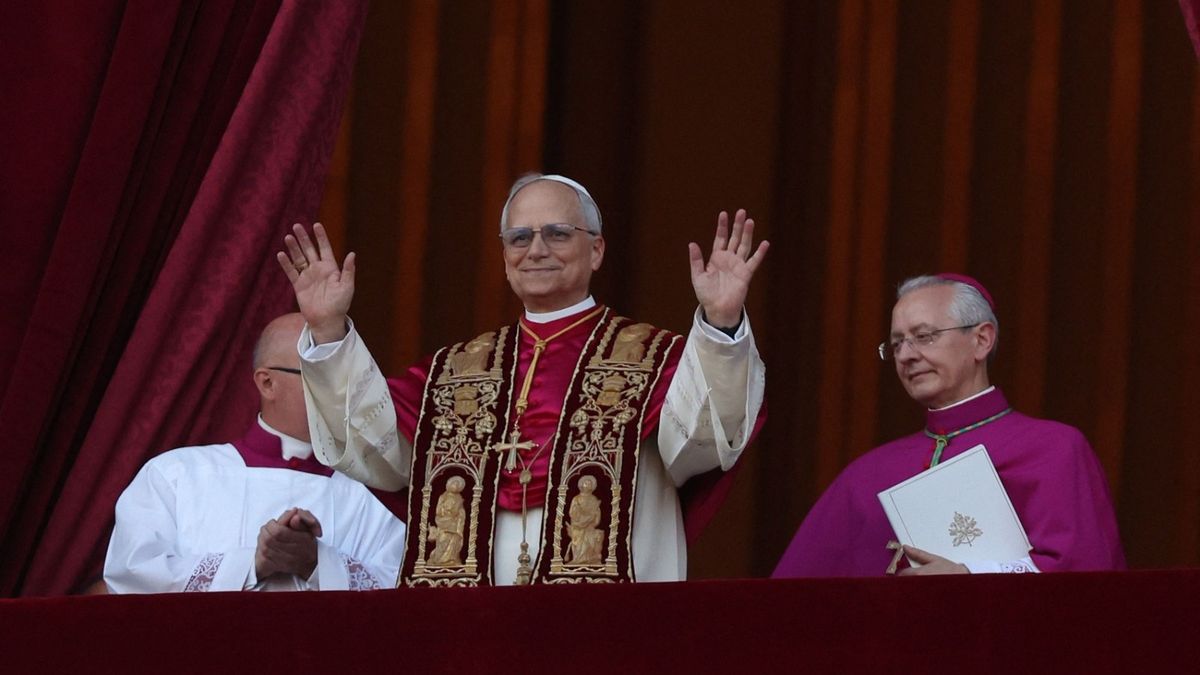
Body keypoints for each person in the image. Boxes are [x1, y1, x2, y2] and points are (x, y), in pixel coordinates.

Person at [278, 173, 768, 585]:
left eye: (557, 233)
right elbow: (372, 447)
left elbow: (704, 440)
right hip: (471, 629)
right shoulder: (454, 372)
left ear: (596, 250)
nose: (536, 249)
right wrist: (327, 331)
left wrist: (721, 324)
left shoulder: (654, 360)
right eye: (519, 237)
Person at [773, 274, 1125, 577]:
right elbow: (793, 597)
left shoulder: (1054, 449)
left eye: (924, 336)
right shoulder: (867, 474)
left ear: (981, 340)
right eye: (896, 344)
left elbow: (1087, 579)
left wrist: (971, 577)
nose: (907, 355)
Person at [104, 313, 406, 592]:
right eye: (319, 375)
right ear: (267, 383)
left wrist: (316, 563)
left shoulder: (382, 494)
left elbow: (405, 598)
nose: (341, 393)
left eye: (346, 377)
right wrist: (252, 564)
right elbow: (133, 576)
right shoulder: (175, 476)